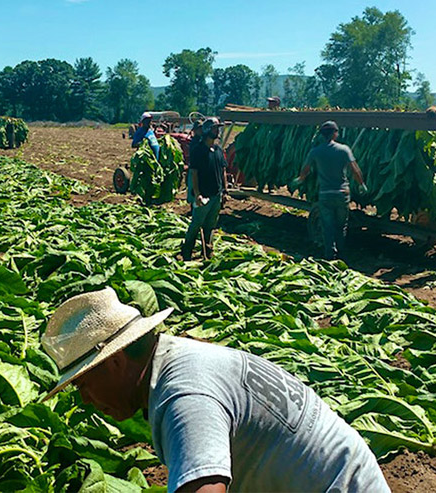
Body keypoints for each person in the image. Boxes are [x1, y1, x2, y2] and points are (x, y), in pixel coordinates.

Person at [41, 287, 390, 493]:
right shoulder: (178, 360)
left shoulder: (183, 397)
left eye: (84, 383)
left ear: (116, 361)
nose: (86, 398)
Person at [294, 120, 366, 260]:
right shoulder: (344, 149)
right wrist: (361, 184)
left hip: (325, 194)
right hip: (342, 194)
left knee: (327, 226)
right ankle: (341, 255)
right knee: (341, 226)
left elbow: (306, 169)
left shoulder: (315, 151)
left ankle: (329, 256)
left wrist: (300, 179)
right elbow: (355, 169)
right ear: (335, 134)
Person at [181, 117, 227, 261]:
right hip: (204, 195)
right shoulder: (198, 150)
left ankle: (207, 251)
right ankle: (187, 251)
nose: (217, 131)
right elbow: (194, 173)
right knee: (196, 224)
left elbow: (223, 171)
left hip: (216, 194)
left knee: (211, 225)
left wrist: (225, 191)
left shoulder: (218, 150)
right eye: (215, 128)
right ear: (207, 130)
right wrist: (197, 194)